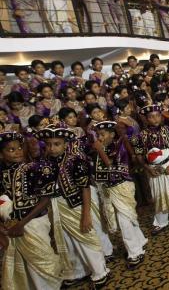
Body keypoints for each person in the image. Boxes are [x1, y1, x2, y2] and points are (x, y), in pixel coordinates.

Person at [34, 123, 110, 288]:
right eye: (48, 144)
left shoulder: (76, 159)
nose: (52, 148)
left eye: (57, 144)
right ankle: (77, 271)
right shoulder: (45, 162)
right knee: (66, 241)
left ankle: (100, 271)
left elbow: (85, 189)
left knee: (85, 238)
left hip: (75, 205)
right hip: (56, 206)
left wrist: (86, 214)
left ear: (66, 144)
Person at [0, 131, 63, 290]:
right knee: (24, 268)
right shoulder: (2, 174)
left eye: (20, 147)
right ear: (1, 154)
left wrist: (22, 224)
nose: (17, 152)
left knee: (43, 260)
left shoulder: (33, 169)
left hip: (34, 222)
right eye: (11, 149)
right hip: (11, 227)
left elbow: (45, 200)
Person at [130, 104, 169, 235]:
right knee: (157, 195)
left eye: (157, 116)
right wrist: (147, 168)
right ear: (146, 119)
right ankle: (161, 222)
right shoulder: (141, 136)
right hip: (153, 169)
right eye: (151, 117)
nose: (155, 119)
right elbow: (139, 156)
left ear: (161, 117)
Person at [92, 120, 147, 269]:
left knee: (124, 221)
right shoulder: (101, 149)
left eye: (102, 134)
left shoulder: (119, 147)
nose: (100, 138)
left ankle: (134, 253)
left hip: (122, 187)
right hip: (109, 189)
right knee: (126, 218)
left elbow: (113, 168)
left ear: (111, 134)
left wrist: (100, 151)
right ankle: (140, 241)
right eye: (97, 135)